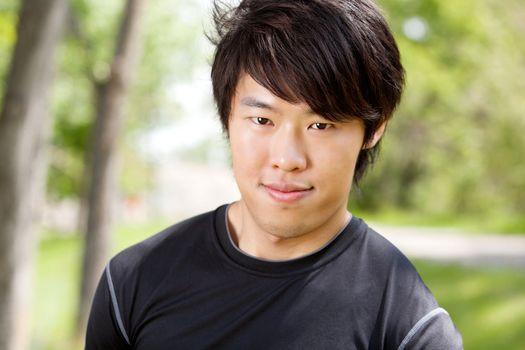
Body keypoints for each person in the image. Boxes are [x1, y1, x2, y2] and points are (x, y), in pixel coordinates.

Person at [85, 0, 463, 349]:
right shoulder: (133, 282)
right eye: (262, 119)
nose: (287, 158)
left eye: (321, 125)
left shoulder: (407, 324)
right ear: (228, 116)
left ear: (374, 129)